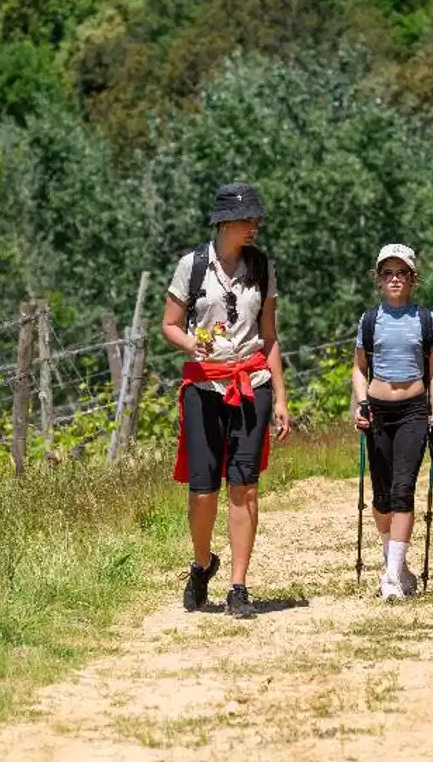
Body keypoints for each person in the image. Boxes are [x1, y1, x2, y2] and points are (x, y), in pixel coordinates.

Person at [162, 182, 292, 619]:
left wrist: (280, 398)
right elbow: (170, 324)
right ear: (223, 222)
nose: (254, 226)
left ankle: (239, 586)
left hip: (251, 381)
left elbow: (270, 335)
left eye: (256, 219)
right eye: (246, 219)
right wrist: (189, 345)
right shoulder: (192, 265)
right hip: (203, 387)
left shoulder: (262, 266)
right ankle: (202, 565)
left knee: (245, 485)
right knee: (203, 491)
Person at [350, 244, 433, 600]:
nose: (395, 279)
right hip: (378, 409)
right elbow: (359, 369)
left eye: (402, 273)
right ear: (379, 280)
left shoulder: (424, 320)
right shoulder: (369, 320)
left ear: (412, 279)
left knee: (403, 490)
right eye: (388, 273)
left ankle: (391, 578)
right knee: (381, 497)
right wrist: (361, 403)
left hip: (412, 411)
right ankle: (396, 562)